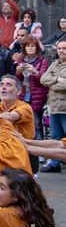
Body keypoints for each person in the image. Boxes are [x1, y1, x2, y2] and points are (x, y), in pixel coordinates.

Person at [39, 40, 66, 172]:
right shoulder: (55, 64)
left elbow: (65, 85)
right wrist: (56, 79)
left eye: (64, 48)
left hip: (65, 108)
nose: (61, 51)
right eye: (59, 48)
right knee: (56, 137)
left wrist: (52, 84)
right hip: (54, 106)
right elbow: (43, 79)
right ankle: (55, 163)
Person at [14, 37, 49, 139]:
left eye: (32, 46)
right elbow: (18, 78)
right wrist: (19, 71)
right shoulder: (21, 60)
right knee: (23, 121)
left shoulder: (43, 61)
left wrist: (34, 71)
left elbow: (43, 80)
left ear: (37, 48)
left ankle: (39, 149)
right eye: (28, 46)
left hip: (36, 95)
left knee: (37, 123)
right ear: (24, 48)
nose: (30, 48)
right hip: (23, 94)